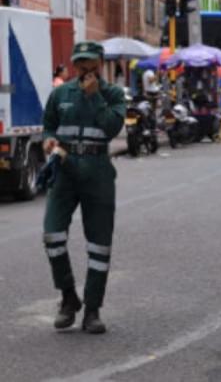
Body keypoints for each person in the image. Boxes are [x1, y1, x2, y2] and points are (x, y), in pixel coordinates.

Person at [40, 41, 126, 334]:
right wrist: (48, 140)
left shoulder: (112, 94)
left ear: (100, 62)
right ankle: (68, 297)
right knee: (52, 234)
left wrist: (95, 98)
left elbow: (113, 127)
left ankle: (92, 309)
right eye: (79, 63)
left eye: (89, 62)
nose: (84, 68)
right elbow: (48, 124)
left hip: (98, 172)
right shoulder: (61, 93)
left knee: (99, 244)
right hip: (63, 172)